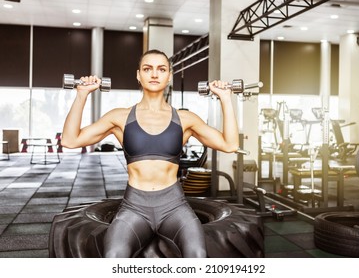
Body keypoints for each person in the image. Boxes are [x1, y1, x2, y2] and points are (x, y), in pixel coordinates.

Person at [61, 49, 239, 258]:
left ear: (169, 76)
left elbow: (229, 145)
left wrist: (226, 98)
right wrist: (82, 95)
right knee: (114, 256)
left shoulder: (185, 119)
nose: (154, 74)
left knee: (197, 254)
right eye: (148, 69)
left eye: (161, 69)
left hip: (174, 206)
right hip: (134, 207)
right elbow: (70, 140)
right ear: (139, 75)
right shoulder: (120, 117)